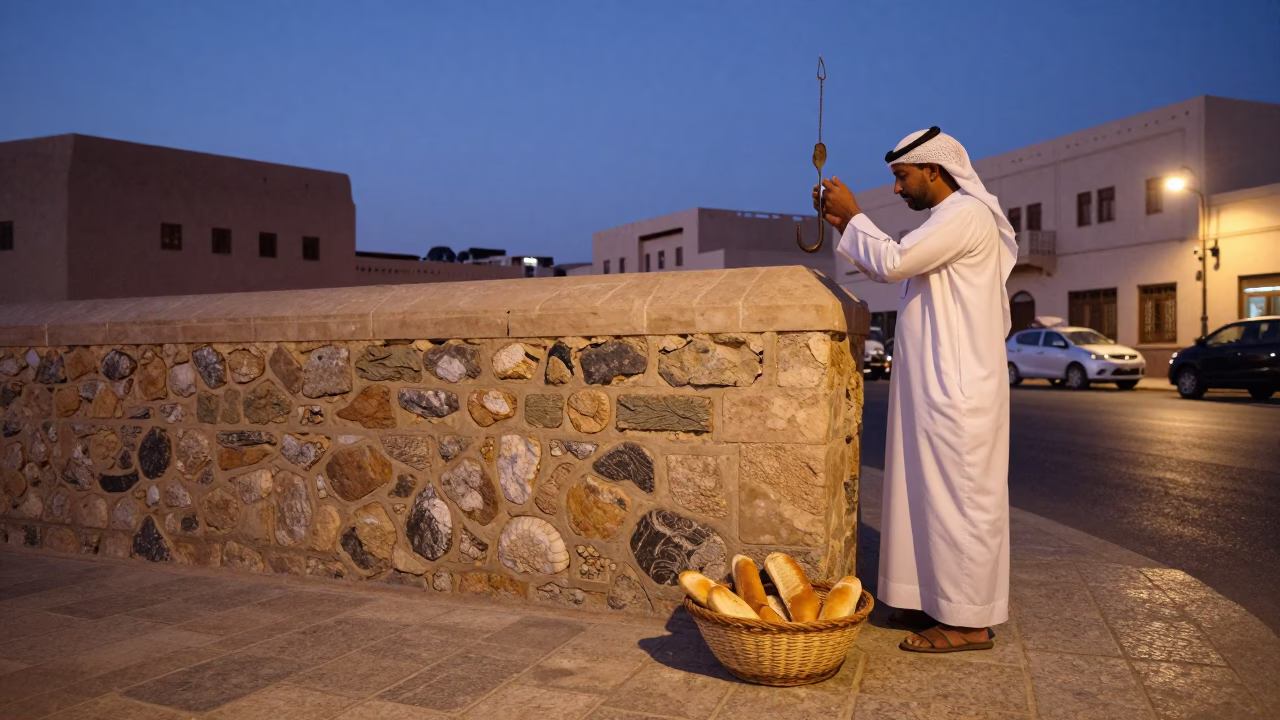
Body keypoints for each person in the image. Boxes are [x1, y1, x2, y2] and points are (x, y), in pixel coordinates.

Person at [813, 127, 1015, 653]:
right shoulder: (944, 222)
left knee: (961, 500)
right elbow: (889, 265)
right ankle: (936, 603)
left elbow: (894, 261)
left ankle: (968, 623)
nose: (899, 189)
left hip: (959, 388)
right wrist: (843, 224)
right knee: (927, 497)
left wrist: (854, 214)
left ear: (933, 170)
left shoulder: (965, 215)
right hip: (939, 383)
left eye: (903, 177)